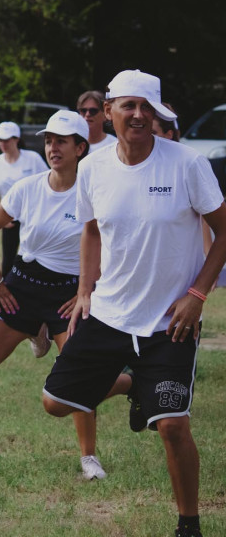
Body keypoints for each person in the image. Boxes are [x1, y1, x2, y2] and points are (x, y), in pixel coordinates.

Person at [42, 70, 226, 537]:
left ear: (158, 114)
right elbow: (89, 228)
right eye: (128, 106)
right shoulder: (93, 167)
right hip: (109, 314)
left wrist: (197, 295)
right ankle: (133, 385)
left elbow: (224, 230)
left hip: (170, 321)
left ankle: (189, 524)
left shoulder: (186, 164)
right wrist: (85, 289)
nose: (139, 115)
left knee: (173, 427)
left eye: (148, 107)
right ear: (108, 112)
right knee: (54, 402)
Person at [0, 110, 131, 480]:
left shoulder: (94, 191)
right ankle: (34, 329)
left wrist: (86, 290)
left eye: (61, 141)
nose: (52, 147)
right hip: (21, 286)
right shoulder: (27, 187)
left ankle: (90, 456)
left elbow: (112, 245)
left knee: (77, 380)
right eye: (48, 140)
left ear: (80, 147)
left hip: (66, 296)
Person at [0, 121, 48, 278]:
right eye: (0, 140)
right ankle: (6, 294)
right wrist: (2, 218)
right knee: (8, 260)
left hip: (33, 217)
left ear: (16, 139)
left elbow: (47, 183)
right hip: (9, 219)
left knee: (33, 257)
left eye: (7, 140)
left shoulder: (32, 159)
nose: (3, 144)